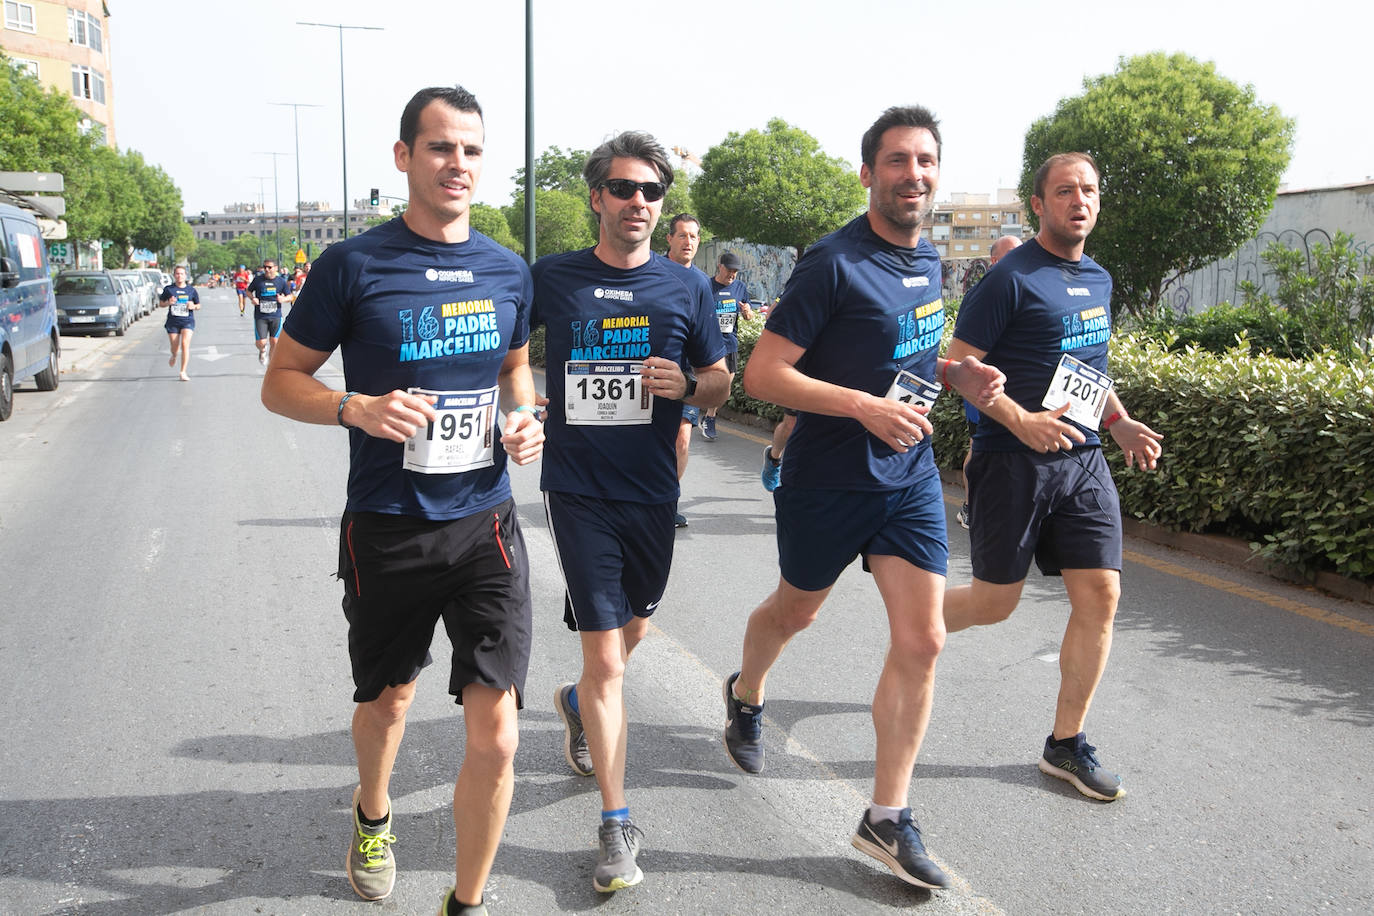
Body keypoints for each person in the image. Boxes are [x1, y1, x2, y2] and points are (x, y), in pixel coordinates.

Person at [261, 85, 544, 916]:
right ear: (404, 158)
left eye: (472, 151)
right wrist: (356, 407)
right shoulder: (352, 265)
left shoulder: (506, 268)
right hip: (387, 526)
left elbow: (513, 369)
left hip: (485, 522)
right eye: (440, 148)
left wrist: (523, 417)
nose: (458, 164)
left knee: (497, 732)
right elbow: (280, 383)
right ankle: (374, 810)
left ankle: (467, 901)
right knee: (389, 699)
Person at [722, 105, 1003, 890]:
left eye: (925, 162)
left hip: (907, 479)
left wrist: (955, 374)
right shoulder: (832, 264)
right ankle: (746, 695)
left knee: (923, 641)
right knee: (795, 612)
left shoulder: (929, 262)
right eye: (897, 161)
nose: (913, 175)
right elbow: (762, 375)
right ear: (868, 173)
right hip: (827, 479)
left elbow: (906, 355)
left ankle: (887, 817)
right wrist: (861, 407)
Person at [533, 131, 729, 893]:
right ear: (597, 197)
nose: (638, 203)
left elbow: (719, 379)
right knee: (609, 656)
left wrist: (686, 384)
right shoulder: (553, 278)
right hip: (577, 487)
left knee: (637, 624)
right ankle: (617, 828)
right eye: (623, 189)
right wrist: (522, 403)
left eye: (650, 192)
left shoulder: (686, 287)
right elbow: (508, 352)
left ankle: (578, 705)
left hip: (653, 491)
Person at [943, 152, 1163, 803]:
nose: (1079, 200)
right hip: (1011, 462)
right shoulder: (1008, 280)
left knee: (1101, 593)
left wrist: (1118, 420)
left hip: (1083, 458)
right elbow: (954, 368)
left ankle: (1065, 744)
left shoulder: (1097, 277)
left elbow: (1086, 367)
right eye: (1064, 190)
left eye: (1089, 189)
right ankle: (915, 622)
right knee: (993, 603)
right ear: (1038, 204)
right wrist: (1021, 421)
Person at [957, 234, 1021, 529]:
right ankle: (970, 507)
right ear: (994, 260)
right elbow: (960, 353)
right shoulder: (981, 293)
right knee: (978, 446)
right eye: (1011, 255)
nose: (1019, 261)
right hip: (981, 388)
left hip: (1012, 389)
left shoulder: (1021, 287)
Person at [664, 212, 705, 528]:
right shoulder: (651, 270)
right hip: (651, 374)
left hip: (688, 377)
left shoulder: (702, 282)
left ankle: (669, 500)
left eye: (693, 236)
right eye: (682, 235)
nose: (688, 241)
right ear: (669, 239)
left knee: (682, 438)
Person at [700, 251, 754, 440]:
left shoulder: (740, 287)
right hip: (710, 343)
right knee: (710, 382)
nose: (732, 275)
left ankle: (708, 415)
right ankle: (708, 417)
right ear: (720, 266)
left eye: (735, 272)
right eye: (729, 271)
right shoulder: (706, 285)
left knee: (725, 387)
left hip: (730, 343)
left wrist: (747, 312)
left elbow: (749, 317)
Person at [246, 259, 291, 365]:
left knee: (275, 341)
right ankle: (262, 350)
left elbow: (290, 296)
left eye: (269, 267)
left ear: (275, 268)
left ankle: (271, 365)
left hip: (276, 315)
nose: (266, 269)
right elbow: (248, 291)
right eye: (265, 267)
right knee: (261, 342)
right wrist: (253, 298)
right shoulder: (258, 280)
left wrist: (283, 299)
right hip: (260, 316)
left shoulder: (281, 281)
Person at [161, 265, 200, 382]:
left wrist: (193, 306)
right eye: (177, 274)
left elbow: (198, 305)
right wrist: (169, 302)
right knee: (175, 346)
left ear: (185, 275)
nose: (179, 276)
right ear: (174, 275)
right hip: (173, 321)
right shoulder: (169, 289)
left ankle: (183, 371)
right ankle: (174, 355)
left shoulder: (191, 290)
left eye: (182, 274)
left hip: (187, 320)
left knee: (184, 344)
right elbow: (161, 303)